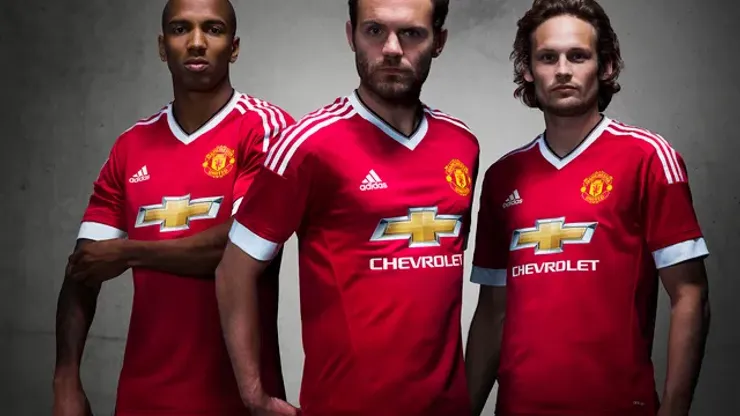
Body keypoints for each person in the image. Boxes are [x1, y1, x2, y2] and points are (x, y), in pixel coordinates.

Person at [214, 0, 480, 415]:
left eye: (411, 33)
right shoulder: (308, 144)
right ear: (351, 36)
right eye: (374, 31)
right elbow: (234, 272)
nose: (391, 49)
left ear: (439, 41)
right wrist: (254, 396)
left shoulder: (461, 144)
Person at [464, 0, 711, 415]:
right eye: (548, 57)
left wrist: (674, 409)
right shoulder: (503, 176)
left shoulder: (648, 157)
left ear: (606, 66)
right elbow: (493, 311)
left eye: (577, 56)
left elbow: (690, 294)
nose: (562, 70)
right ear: (529, 70)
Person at [52, 0, 294, 415]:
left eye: (213, 29)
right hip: (141, 400)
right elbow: (85, 267)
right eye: (181, 29)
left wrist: (129, 253)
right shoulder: (131, 146)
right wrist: (65, 380)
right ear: (163, 47)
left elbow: (240, 247)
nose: (197, 42)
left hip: (238, 403)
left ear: (234, 47)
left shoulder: (265, 128)